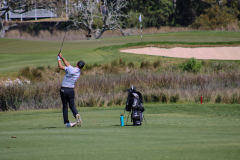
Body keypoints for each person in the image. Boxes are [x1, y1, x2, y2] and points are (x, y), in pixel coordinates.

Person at [57, 52, 85, 127]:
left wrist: (58, 59)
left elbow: (60, 67)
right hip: (71, 90)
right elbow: (68, 65)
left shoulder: (70, 69)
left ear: (76, 63)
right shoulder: (78, 72)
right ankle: (76, 114)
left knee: (65, 106)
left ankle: (67, 123)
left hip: (64, 89)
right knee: (72, 105)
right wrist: (62, 58)